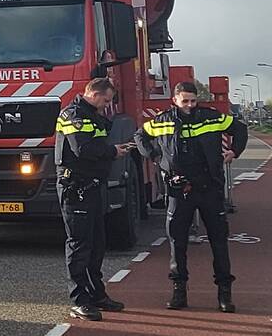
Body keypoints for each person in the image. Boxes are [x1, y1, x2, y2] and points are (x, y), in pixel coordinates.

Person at [134, 81, 247, 312]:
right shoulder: (163, 120)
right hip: (179, 191)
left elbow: (240, 129)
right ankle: (179, 293)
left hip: (209, 188)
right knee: (177, 241)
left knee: (219, 241)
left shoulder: (211, 117)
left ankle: (224, 294)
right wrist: (156, 157)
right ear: (174, 100)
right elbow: (140, 136)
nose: (189, 105)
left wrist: (233, 151)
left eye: (193, 101)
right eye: (185, 101)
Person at [55, 77, 131, 321]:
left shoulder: (92, 115)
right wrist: (112, 152)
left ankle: (97, 294)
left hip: (93, 186)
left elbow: (97, 142)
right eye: (105, 100)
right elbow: (82, 149)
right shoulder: (72, 115)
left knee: (97, 242)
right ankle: (79, 300)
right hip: (75, 188)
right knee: (79, 245)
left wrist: (114, 148)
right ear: (93, 93)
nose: (107, 106)